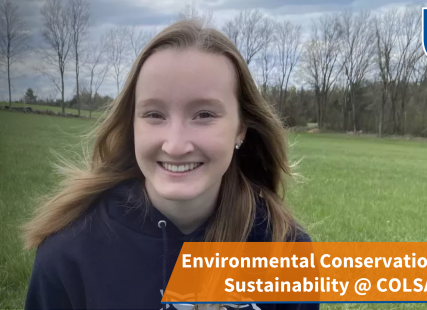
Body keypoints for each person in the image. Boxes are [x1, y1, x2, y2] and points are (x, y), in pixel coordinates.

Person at [23, 19, 318, 310]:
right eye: (154, 114)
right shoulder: (69, 252)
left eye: (204, 114)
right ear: (132, 125)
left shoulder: (286, 250)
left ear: (241, 128)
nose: (176, 146)